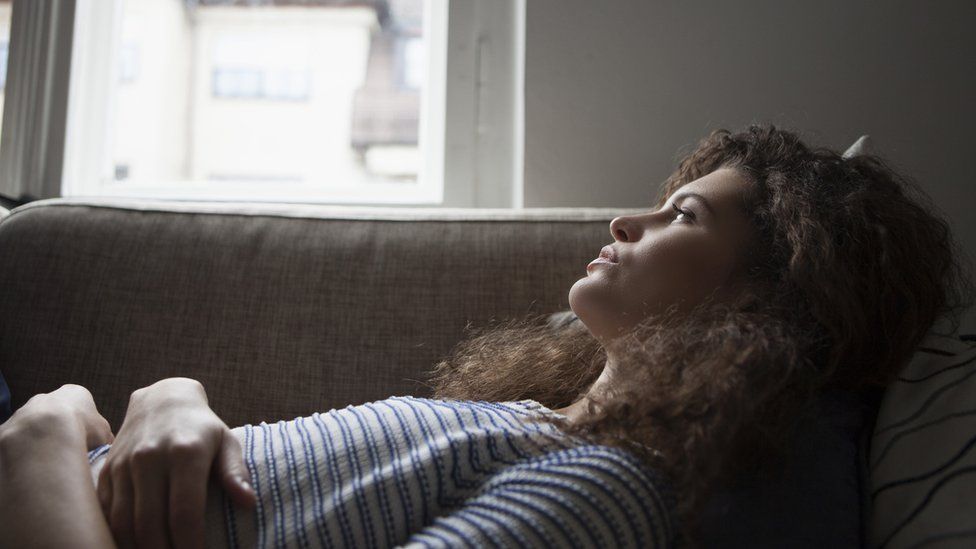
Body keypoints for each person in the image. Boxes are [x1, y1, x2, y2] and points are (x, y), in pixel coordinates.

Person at [0, 124, 970, 548]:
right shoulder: (533, 430)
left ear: (765, 306)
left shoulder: (608, 490)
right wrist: (131, 401)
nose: (622, 225)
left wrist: (42, 441)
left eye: (681, 215)